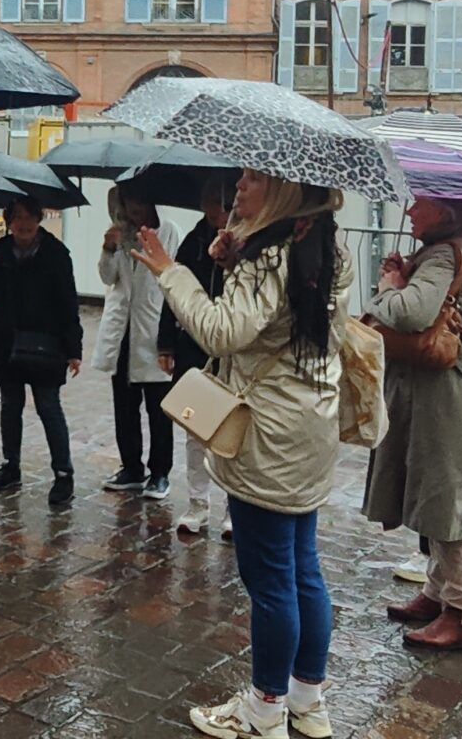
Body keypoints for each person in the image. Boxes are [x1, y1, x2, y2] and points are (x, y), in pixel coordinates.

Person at [136, 168, 348, 739]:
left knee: (270, 577)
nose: (240, 189)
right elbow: (284, 323)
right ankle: (307, 703)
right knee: (303, 566)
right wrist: (234, 257)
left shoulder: (270, 255)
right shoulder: (324, 242)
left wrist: (169, 271)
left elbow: (222, 333)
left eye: (253, 179)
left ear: (283, 188)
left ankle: (262, 711)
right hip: (311, 424)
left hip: (269, 434)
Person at [363, 196, 462, 653]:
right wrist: (409, 274)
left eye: (418, 204)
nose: (409, 211)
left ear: (445, 210)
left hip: (449, 393)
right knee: (439, 491)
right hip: (447, 392)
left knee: (449, 502)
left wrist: (389, 286)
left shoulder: (446, 253)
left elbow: (409, 313)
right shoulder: (457, 249)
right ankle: (439, 593)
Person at [0, 196, 84, 509]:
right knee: (10, 405)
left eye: (28, 217)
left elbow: (68, 303)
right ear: (8, 220)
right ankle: (11, 464)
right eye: (16, 217)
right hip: (7, 342)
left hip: (46, 344)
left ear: (39, 218)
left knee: (48, 406)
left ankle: (63, 472)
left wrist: (73, 349)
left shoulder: (56, 254)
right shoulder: (1, 250)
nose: (23, 223)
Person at [156, 173, 238, 538]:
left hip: (233, 349)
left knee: (232, 432)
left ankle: (231, 510)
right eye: (210, 204)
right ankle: (197, 503)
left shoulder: (249, 244)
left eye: (221, 204)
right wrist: (166, 343)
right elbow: (173, 289)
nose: (216, 211)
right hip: (194, 347)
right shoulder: (193, 240)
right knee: (195, 428)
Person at [96, 183, 184, 499]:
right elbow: (108, 278)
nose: (134, 209)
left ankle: (160, 473)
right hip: (123, 331)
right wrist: (108, 249)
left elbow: (173, 276)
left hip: (153, 329)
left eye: (139, 202)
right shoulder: (119, 234)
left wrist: (170, 338)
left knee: (159, 409)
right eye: (128, 202)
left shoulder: (169, 232)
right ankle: (131, 467)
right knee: (124, 405)